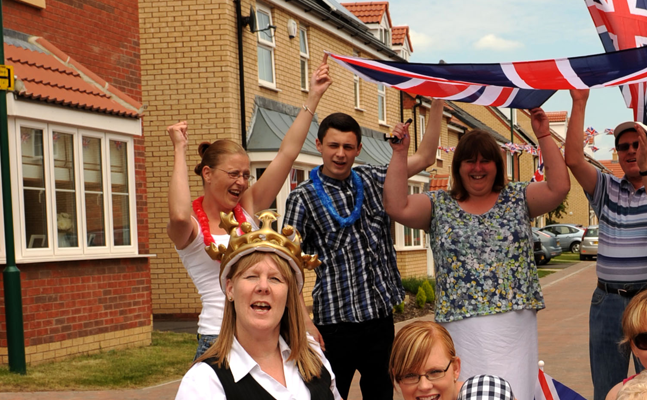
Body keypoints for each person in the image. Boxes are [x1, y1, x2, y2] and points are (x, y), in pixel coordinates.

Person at [383, 107, 569, 400]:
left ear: (497, 165)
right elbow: (396, 206)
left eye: (485, 161)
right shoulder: (439, 205)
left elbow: (559, 188)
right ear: (458, 167)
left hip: (513, 326)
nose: (478, 168)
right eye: (469, 161)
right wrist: (400, 153)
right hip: (461, 327)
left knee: (515, 393)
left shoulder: (517, 198)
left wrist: (543, 134)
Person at [168, 58, 331, 360]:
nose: (242, 182)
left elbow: (287, 153)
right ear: (207, 174)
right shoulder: (189, 227)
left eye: (246, 175)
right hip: (219, 338)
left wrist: (313, 97)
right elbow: (177, 214)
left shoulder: (248, 207)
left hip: (267, 333)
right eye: (233, 174)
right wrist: (179, 148)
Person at [282, 100, 444, 399]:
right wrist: (304, 323)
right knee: (328, 395)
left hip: (379, 321)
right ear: (319, 145)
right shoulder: (301, 198)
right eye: (333, 145)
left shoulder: (373, 179)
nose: (340, 154)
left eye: (347, 146)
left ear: (358, 149)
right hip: (334, 325)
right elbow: (285, 267)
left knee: (381, 394)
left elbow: (424, 157)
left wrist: (435, 103)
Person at [563, 89, 647, 400]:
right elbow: (574, 159)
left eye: (639, 145)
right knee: (607, 390)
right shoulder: (607, 187)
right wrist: (579, 102)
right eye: (624, 147)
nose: (631, 151)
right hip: (609, 303)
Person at [175, 211, 338, 399]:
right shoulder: (203, 382)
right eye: (251, 276)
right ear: (230, 289)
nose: (263, 287)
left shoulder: (313, 356)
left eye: (275, 279)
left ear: (289, 295)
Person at [391, 321, 517, 400]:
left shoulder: (485, 392)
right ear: (396, 376)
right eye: (410, 375)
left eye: (435, 372)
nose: (424, 386)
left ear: (455, 369)